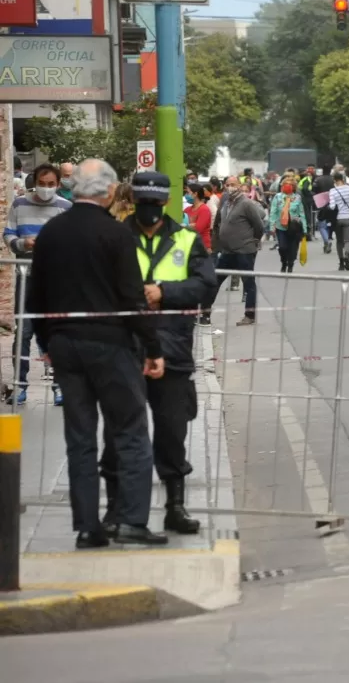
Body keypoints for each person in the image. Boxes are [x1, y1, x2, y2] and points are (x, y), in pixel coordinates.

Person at [27, 159, 168, 548]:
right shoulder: (116, 234)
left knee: (80, 436)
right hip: (111, 345)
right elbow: (132, 298)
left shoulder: (52, 232)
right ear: (108, 192)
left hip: (65, 344)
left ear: (75, 190)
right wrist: (153, 348)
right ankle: (131, 520)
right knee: (130, 431)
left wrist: (47, 344)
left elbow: (35, 294)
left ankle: (88, 527)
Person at [99, 172, 216, 537]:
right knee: (120, 431)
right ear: (133, 201)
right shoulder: (115, 237)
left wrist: (164, 291)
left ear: (165, 202)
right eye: (142, 201)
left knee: (171, 431)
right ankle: (117, 510)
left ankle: (175, 507)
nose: (148, 208)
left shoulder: (186, 238)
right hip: (125, 347)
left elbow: (205, 285)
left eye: (154, 202)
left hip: (172, 347)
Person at [5, 163, 71, 405]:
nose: (46, 189)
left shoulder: (66, 208)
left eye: (51, 184)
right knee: (23, 333)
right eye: (42, 184)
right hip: (27, 277)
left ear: (58, 185)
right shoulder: (19, 204)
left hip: (56, 281)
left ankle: (59, 387)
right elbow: (9, 234)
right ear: (34, 182)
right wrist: (24, 244)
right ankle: (19, 386)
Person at [212, 175, 265, 326]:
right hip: (228, 251)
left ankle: (250, 315)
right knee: (215, 279)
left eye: (233, 184)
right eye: (228, 184)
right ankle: (204, 311)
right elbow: (218, 224)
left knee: (248, 283)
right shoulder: (226, 204)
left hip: (244, 251)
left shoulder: (247, 204)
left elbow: (259, 226)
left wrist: (253, 241)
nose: (230, 187)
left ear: (240, 185)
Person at [269, 174, 308, 272]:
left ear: (293, 187)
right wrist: (271, 226)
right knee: (282, 247)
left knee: (293, 248)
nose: (287, 186)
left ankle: (290, 264)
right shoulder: (277, 197)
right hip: (280, 226)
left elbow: (301, 213)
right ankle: (284, 262)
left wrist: (305, 228)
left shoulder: (297, 198)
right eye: (285, 184)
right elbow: (273, 211)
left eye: (289, 185)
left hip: (294, 227)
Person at [328, 171, 349, 271]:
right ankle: (347, 257)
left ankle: (341, 263)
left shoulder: (333, 191)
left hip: (338, 219)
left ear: (335, 180)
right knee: (348, 240)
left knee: (339, 242)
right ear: (343, 179)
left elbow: (332, 207)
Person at [312, 167, 335, 254]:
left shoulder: (318, 180)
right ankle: (329, 238)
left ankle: (326, 241)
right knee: (331, 223)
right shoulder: (333, 179)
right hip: (333, 202)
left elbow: (313, 190)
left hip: (321, 202)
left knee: (322, 224)